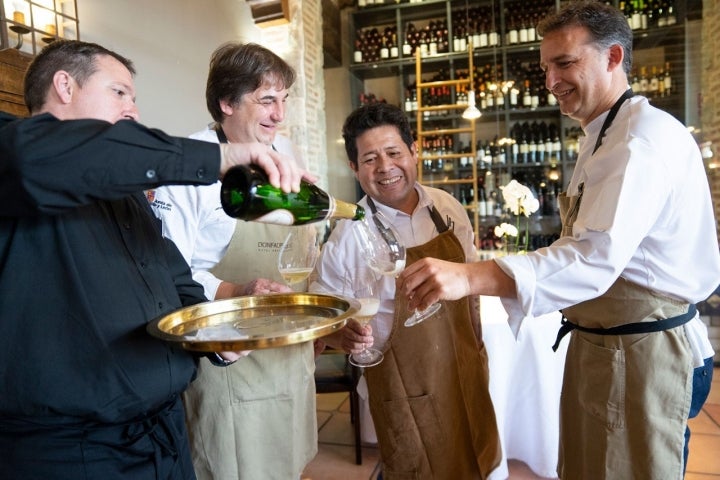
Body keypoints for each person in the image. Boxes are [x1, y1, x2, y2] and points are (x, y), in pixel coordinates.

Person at [398, 3, 719, 479]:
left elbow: (592, 259)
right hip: (613, 347)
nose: (550, 80)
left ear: (613, 57)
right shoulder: (603, 133)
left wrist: (470, 277)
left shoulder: (638, 143)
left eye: (565, 63)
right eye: (546, 66)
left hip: (645, 355)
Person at [0, 39, 309, 479]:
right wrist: (220, 157)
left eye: (134, 98)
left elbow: (172, 278)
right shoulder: (12, 150)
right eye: (119, 93)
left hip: (162, 438)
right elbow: (42, 157)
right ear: (65, 85)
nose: (133, 111)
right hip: (72, 452)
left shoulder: (124, 194)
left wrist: (221, 335)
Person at [149, 42, 318, 480]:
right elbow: (166, 270)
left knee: (289, 463)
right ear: (227, 102)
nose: (280, 114)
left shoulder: (286, 151)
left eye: (284, 100)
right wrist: (233, 291)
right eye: (266, 100)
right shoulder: (188, 169)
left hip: (288, 353)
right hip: (231, 354)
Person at [309, 102, 501, 479]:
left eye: (394, 152)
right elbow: (323, 317)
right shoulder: (348, 236)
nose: (385, 167)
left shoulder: (446, 209)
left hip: (465, 367)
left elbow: (471, 287)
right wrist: (338, 333)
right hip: (405, 387)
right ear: (354, 168)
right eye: (369, 159)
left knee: (479, 460)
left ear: (415, 152)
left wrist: (477, 347)